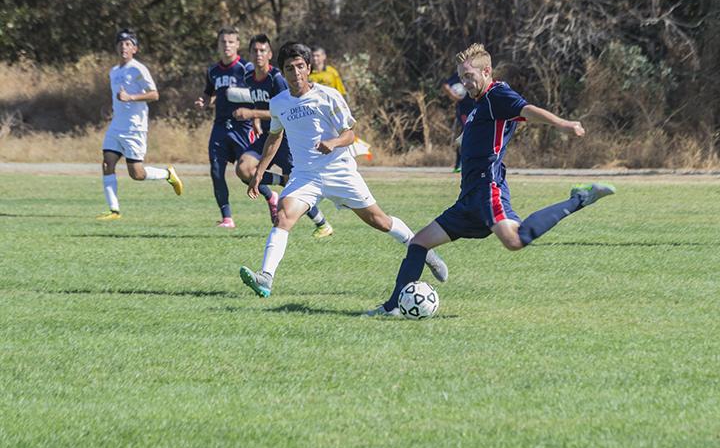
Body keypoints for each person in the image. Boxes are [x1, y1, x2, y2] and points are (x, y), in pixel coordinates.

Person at [367, 43, 616, 316]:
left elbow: (527, 110)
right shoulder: (478, 104)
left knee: (514, 241)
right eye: (461, 77)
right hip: (468, 197)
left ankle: (578, 198)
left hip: (488, 188)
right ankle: (391, 308)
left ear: (486, 71)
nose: (464, 82)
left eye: (468, 75)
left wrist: (562, 124)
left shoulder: (498, 94)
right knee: (418, 243)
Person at [238, 42, 448, 298]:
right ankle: (266, 278)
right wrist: (259, 171)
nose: (295, 73)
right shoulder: (279, 103)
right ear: (282, 72)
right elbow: (274, 137)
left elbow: (350, 135)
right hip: (306, 175)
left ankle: (423, 249)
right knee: (283, 217)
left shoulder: (328, 96)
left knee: (379, 221)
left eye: (300, 67)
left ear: (309, 68)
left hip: (339, 171)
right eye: (289, 68)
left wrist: (333, 143)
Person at [232, 34, 334, 238]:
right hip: (269, 135)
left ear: (269, 54)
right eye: (255, 51)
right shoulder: (248, 77)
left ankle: (322, 224)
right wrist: (255, 120)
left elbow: (283, 110)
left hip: (287, 137)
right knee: (243, 169)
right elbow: (260, 104)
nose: (258, 54)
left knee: (297, 186)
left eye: (263, 50)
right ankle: (277, 186)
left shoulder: (277, 78)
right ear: (249, 54)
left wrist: (251, 114)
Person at [97, 28, 183, 221]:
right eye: (120, 44)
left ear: (134, 48)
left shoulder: (138, 69)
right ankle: (114, 210)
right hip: (116, 127)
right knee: (106, 162)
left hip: (134, 128)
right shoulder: (114, 71)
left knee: (136, 173)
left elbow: (154, 94)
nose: (123, 47)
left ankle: (167, 174)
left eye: (128, 44)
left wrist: (131, 97)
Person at [195, 26, 273, 228]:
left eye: (231, 42)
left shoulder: (246, 69)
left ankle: (271, 196)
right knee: (216, 171)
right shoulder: (212, 71)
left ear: (238, 45)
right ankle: (227, 218)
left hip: (243, 127)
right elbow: (210, 93)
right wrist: (205, 101)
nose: (227, 45)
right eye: (223, 42)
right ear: (218, 45)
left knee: (246, 171)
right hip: (220, 126)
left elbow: (258, 95)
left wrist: (256, 119)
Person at [441, 71, 475, 173]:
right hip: (464, 111)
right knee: (467, 133)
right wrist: (454, 96)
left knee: (475, 135)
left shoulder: (479, 73)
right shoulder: (461, 74)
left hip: (477, 108)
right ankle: (459, 164)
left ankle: (473, 163)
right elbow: (445, 85)